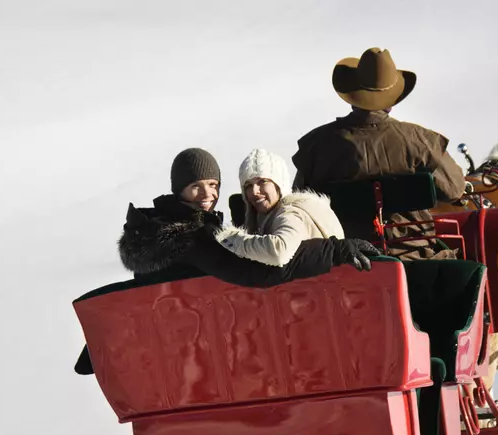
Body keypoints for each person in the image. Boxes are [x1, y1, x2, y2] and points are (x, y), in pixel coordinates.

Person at [291, 48, 467, 260]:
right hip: (413, 255)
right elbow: (455, 189)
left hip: (344, 257)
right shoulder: (420, 141)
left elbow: (299, 199)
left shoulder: (316, 145)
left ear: (352, 97)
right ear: (392, 101)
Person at [118, 147, 377, 286]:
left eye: (213, 184)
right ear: (179, 190)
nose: (207, 194)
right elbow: (256, 272)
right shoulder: (187, 235)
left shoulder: (158, 227)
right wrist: (333, 251)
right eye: (195, 186)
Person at [213, 149, 344, 266]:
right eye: (248, 186)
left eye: (262, 182)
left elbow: (279, 251)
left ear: (279, 184)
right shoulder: (271, 216)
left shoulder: (291, 212)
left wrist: (230, 239)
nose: (254, 191)